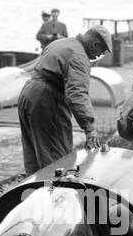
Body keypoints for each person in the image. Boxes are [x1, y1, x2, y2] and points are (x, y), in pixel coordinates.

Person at [18, 24, 113, 173]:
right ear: (95, 44)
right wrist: (89, 128)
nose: (97, 57)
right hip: (46, 100)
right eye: (100, 52)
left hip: (28, 93)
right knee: (57, 161)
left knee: (34, 158)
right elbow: (77, 93)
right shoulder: (79, 56)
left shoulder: (60, 43)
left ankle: (33, 192)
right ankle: (55, 194)